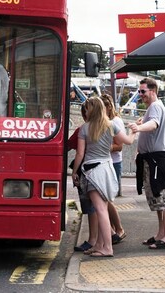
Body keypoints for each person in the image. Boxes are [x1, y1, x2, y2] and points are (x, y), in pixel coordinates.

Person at [72, 96, 135, 257]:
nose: (85, 111)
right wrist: (134, 131)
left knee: (100, 210)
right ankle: (100, 244)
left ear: (91, 110)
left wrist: (74, 172)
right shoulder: (111, 125)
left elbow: (80, 154)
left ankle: (107, 248)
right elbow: (127, 141)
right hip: (107, 169)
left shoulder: (85, 129)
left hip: (92, 172)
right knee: (103, 208)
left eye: (87, 108)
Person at [128, 77, 165, 250]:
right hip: (152, 158)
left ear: (153, 91)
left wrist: (138, 128)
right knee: (157, 199)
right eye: (139, 91)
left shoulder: (155, 106)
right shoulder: (154, 107)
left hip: (156, 158)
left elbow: (154, 124)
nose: (140, 95)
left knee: (162, 198)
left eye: (143, 91)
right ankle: (161, 234)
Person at [68, 104, 97, 252]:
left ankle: (93, 239)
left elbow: (73, 150)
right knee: (100, 206)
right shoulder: (105, 127)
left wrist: (74, 172)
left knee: (90, 207)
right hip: (102, 170)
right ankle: (110, 234)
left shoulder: (83, 129)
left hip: (86, 170)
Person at [101, 93, 127, 241]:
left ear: (109, 107)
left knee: (107, 199)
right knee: (104, 199)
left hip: (113, 162)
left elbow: (119, 146)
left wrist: (103, 147)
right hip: (105, 162)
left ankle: (119, 229)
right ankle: (111, 231)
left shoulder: (115, 121)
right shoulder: (105, 121)